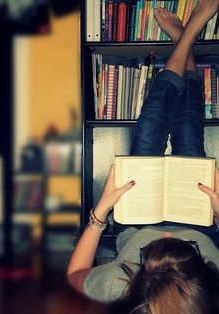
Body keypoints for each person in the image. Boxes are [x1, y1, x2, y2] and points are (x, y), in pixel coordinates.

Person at [67, 0, 219, 312]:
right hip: (196, 216)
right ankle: (187, 35)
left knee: (149, 126)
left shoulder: (120, 287)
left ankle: (187, 35)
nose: (165, 238)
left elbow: (74, 276)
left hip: (137, 218)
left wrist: (101, 212)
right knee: (189, 127)